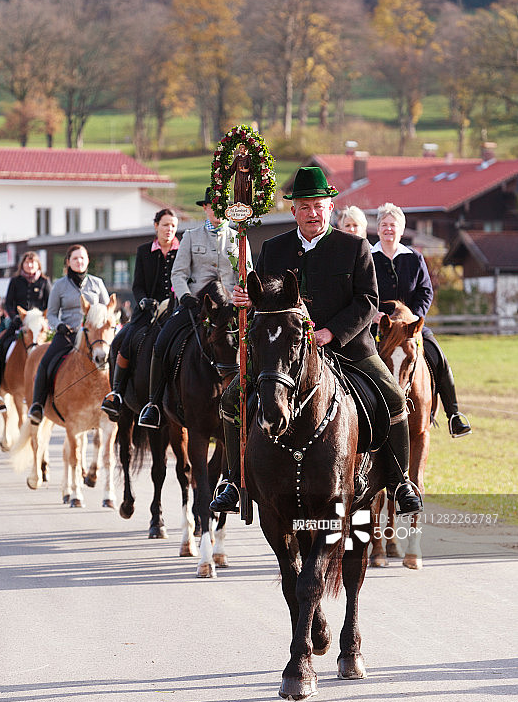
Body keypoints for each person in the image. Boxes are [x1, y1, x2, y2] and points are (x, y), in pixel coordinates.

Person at [211, 166, 423, 516]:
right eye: (305, 206)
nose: (312, 213)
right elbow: (262, 297)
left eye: (319, 205)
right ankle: (234, 480)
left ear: (330, 207)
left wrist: (331, 332)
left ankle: (400, 482)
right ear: (293, 210)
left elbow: (368, 300)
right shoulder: (273, 249)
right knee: (232, 399)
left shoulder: (354, 247)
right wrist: (247, 299)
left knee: (394, 396)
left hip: (348, 347)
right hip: (283, 352)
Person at [138, 187, 251, 429]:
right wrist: (185, 295)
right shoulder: (190, 236)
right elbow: (179, 273)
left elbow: (248, 273)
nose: (218, 211)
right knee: (161, 343)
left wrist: (242, 297)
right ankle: (153, 404)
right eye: (214, 206)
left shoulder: (239, 237)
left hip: (231, 307)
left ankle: (257, 402)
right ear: (206, 208)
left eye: (223, 207)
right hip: (196, 305)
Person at [371, 203, 472, 438]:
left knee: (438, 356)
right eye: (384, 225)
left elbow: (426, 291)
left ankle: (454, 414)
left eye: (392, 225)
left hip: (411, 328)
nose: (388, 229)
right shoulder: (368, 257)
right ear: (377, 229)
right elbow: (362, 291)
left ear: (402, 229)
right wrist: (373, 314)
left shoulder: (414, 258)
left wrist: (413, 318)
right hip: (378, 327)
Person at [101, 208, 180, 421]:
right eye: (165, 225)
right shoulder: (144, 251)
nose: (169, 229)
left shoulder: (182, 250)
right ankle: (116, 392)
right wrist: (144, 300)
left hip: (175, 309)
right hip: (148, 310)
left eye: (173, 225)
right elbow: (137, 286)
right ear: (156, 226)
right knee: (122, 340)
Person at [27, 245, 110, 425]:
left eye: (82, 258)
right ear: (68, 262)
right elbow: (51, 314)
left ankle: (116, 401)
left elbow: (107, 310)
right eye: (75, 258)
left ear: (88, 260)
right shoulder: (59, 285)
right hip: (68, 334)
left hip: (93, 337)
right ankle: (38, 405)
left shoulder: (98, 284)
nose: (79, 262)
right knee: (45, 362)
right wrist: (59, 326)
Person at [0, 251, 51, 415]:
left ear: (38, 265)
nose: (30, 266)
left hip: (39, 325)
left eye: (33, 263)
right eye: (27, 263)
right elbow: (9, 303)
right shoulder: (15, 281)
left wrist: (44, 319)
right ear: (22, 265)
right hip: (19, 323)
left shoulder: (45, 282)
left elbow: (49, 305)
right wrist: (15, 317)